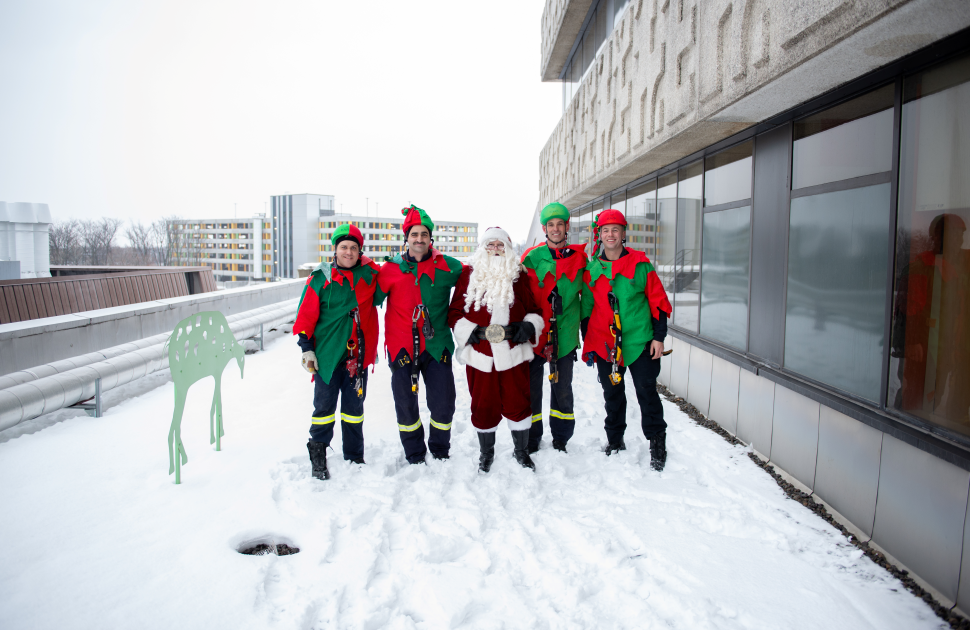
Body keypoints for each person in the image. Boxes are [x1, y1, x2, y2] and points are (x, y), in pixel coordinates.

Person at [580, 209, 673, 471]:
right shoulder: (592, 269)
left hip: (639, 341)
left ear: (623, 234)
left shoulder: (641, 264)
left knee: (647, 393)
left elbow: (658, 302)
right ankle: (615, 440)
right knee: (612, 395)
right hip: (605, 345)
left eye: (615, 230)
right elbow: (586, 309)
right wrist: (590, 343)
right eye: (605, 230)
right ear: (600, 235)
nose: (610, 235)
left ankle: (657, 442)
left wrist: (659, 337)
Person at [448, 227, 545, 472]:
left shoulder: (518, 276)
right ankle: (486, 453)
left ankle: (521, 452)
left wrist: (528, 326)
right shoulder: (468, 275)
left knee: (518, 401)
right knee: (483, 404)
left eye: (500, 245)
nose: (495, 249)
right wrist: (470, 332)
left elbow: (535, 311)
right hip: (481, 354)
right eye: (490, 245)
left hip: (513, 353)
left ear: (508, 249)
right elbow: (455, 312)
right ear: (482, 248)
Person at [374, 205, 464, 464]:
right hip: (402, 348)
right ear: (407, 238)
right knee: (405, 405)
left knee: (443, 403)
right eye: (414, 234)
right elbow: (369, 297)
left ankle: (439, 449)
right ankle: (414, 453)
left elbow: (475, 277)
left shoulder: (448, 266)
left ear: (430, 238)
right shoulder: (390, 269)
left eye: (424, 234)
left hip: (437, 347)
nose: (419, 239)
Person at [294, 223, 380, 480]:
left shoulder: (369, 275)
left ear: (360, 251)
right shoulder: (321, 278)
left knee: (354, 408)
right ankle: (318, 451)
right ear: (335, 249)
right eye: (344, 247)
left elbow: (388, 276)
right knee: (323, 407)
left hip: (358, 356)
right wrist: (306, 349)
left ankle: (354, 454)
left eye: (354, 248)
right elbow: (305, 316)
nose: (349, 252)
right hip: (327, 356)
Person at [521, 202, 588, 453]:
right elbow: (520, 296)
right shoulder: (530, 258)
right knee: (532, 388)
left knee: (562, 389)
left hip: (566, 333)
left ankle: (561, 437)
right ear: (544, 228)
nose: (556, 229)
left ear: (567, 226)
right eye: (551, 225)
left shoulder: (580, 259)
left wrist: (587, 333)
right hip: (536, 334)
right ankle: (532, 436)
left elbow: (589, 298)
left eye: (560, 224)